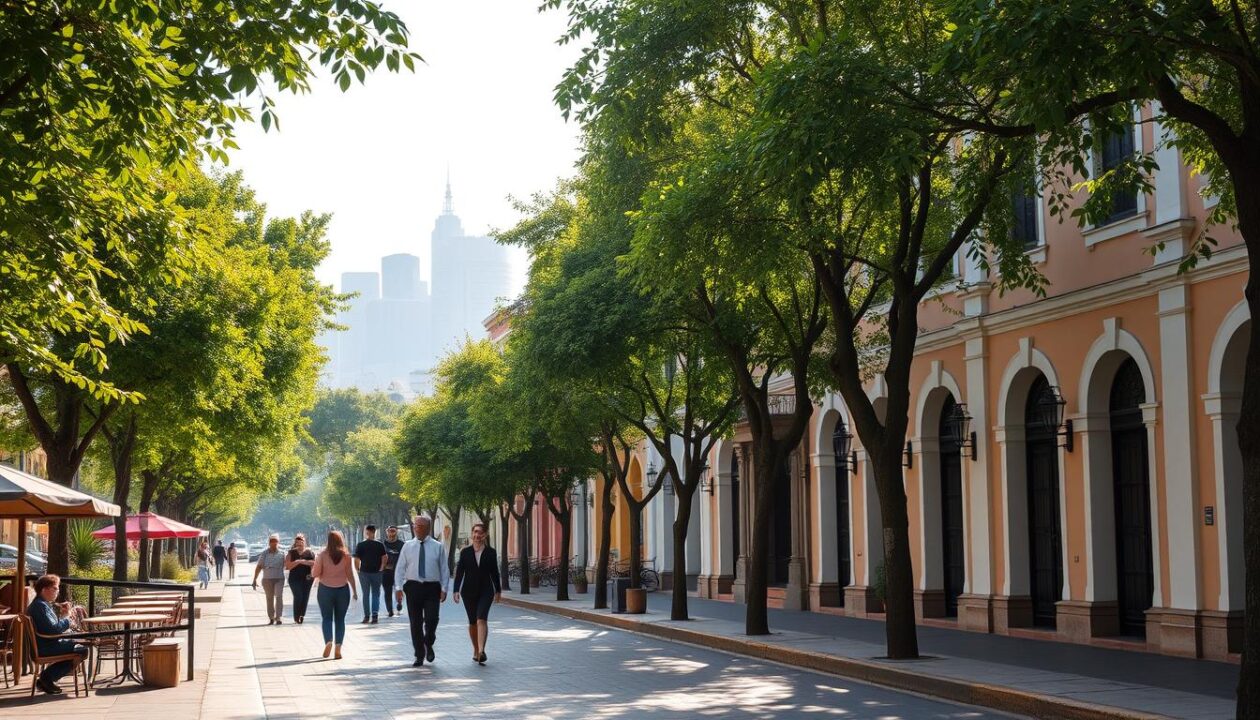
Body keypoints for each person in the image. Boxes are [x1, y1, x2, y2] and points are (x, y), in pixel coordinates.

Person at [393, 514, 448, 667]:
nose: (417, 529)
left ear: (428, 528)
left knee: (432, 619)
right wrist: (398, 588)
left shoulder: (438, 546)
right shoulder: (407, 546)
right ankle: (419, 654)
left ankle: (428, 642)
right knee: (415, 622)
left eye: (420, 526)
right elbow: (399, 569)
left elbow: (444, 569)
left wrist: (444, 588)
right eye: (415, 526)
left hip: (432, 587)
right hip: (413, 587)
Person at [27, 575, 89, 695]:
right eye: (55, 588)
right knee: (82, 650)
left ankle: (46, 679)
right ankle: (47, 678)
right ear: (44, 590)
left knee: (80, 646)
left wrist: (65, 616)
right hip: (46, 647)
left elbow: (51, 628)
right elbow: (54, 630)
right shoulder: (40, 606)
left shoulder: (42, 604)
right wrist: (68, 619)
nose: (58, 591)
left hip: (47, 644)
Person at [453, 522, 501, 666]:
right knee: (473, 622)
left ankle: (481, 651)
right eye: (475, 532)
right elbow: (460, 572)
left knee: (481, 619)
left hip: (486, 591)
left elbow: (494, 573)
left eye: (480, 533)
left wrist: (498, 590)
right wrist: (456, 590)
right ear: (472, 534)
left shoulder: (491, 552)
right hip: (468, 592)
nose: (477, 535)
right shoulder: (465, 552)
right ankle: (475, 650)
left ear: (485, 535)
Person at [313, 530, 358, 660]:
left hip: (325, 590)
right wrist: (354, 591)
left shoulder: (322, 555)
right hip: (342, 590)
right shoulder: (346, 556)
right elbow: (350, 574)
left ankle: (328, 641)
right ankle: (338, 647)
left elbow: (316, 573)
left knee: (327, 618)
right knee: (340, 620)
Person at [353, 525, 387, 624]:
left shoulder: (360, 545)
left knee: (366, 594)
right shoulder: (379, 545)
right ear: (374, 532)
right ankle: (375, 615)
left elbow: (356, 559)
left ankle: (366, 616)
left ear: (366, 532)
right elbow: (384, 557)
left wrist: (357, 569)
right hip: (377, 572)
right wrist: (381, 568)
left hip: (364, 572)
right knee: (376, 594)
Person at [251, 534, 286, 624]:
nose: (274, 543)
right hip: (267, 579)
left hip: (279, 578)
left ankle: (278, 617)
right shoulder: (264, 554)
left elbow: (287, 565)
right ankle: (271, 617)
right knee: (269, 598)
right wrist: (255, 579)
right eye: (272, 541)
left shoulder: (282, 554)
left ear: (278, 542)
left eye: (275, 541)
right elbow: (259, 566)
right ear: (269, 543)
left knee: (279, 596)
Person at [285, 535, 316, 624]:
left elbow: (314, 563)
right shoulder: (291, 553)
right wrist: (297, 562)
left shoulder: (310, 553)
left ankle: (302, 615)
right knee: (298, 596)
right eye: (297, 542)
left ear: (304, 542)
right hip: (294, 579)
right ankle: (296, 616)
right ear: (295, 543)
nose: (300, 543)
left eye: (301, 541)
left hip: (307, 578)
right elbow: (288, 566)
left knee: (305, 597)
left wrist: (301, 561)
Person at [381, 525, 405, 617]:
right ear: (387, 532)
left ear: (396, 532)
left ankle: (399, 603)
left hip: (398, 572)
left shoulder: (401, 544)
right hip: (386, 572)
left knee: (398, 589)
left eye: (393, 531)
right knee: (387, 591)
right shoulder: (383, 544)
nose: (391, 533)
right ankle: (390, 610)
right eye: (390, 531)